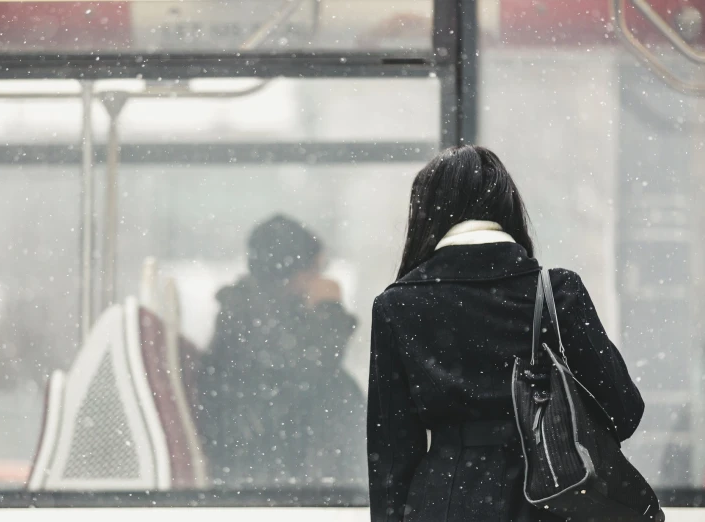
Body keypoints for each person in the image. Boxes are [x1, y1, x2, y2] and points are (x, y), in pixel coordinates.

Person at [367, 145, 645, 522]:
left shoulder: (397, 305)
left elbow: (393, 454)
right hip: (554, 498)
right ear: (507, 208)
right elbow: (624, 411)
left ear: (425, 214)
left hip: (445, 503)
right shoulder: (556, 292)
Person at [199, 214, 367, 488]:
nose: (319, 280)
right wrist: (328, 309)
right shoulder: (248, 318)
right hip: (262, 466)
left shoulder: (260, 314)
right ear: (291, 273)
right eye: (315, 271)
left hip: (275, 455)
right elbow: (315, 369)